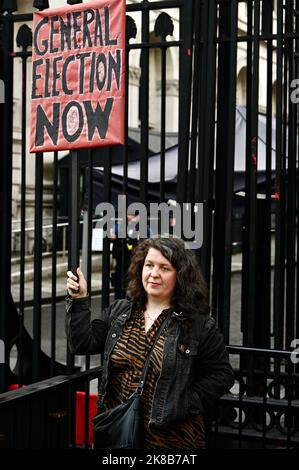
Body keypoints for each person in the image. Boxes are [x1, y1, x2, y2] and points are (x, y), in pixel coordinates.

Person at [66, 237, 234, 449]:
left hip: (171, 440)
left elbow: (222, 375)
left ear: (180, 276)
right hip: (119, 432)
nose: (154, 273)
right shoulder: (120, 312)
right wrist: (80, 299)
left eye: (165, 268)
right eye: (149, 265)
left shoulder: (198, 324)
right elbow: (82, 344)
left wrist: (184, 403)